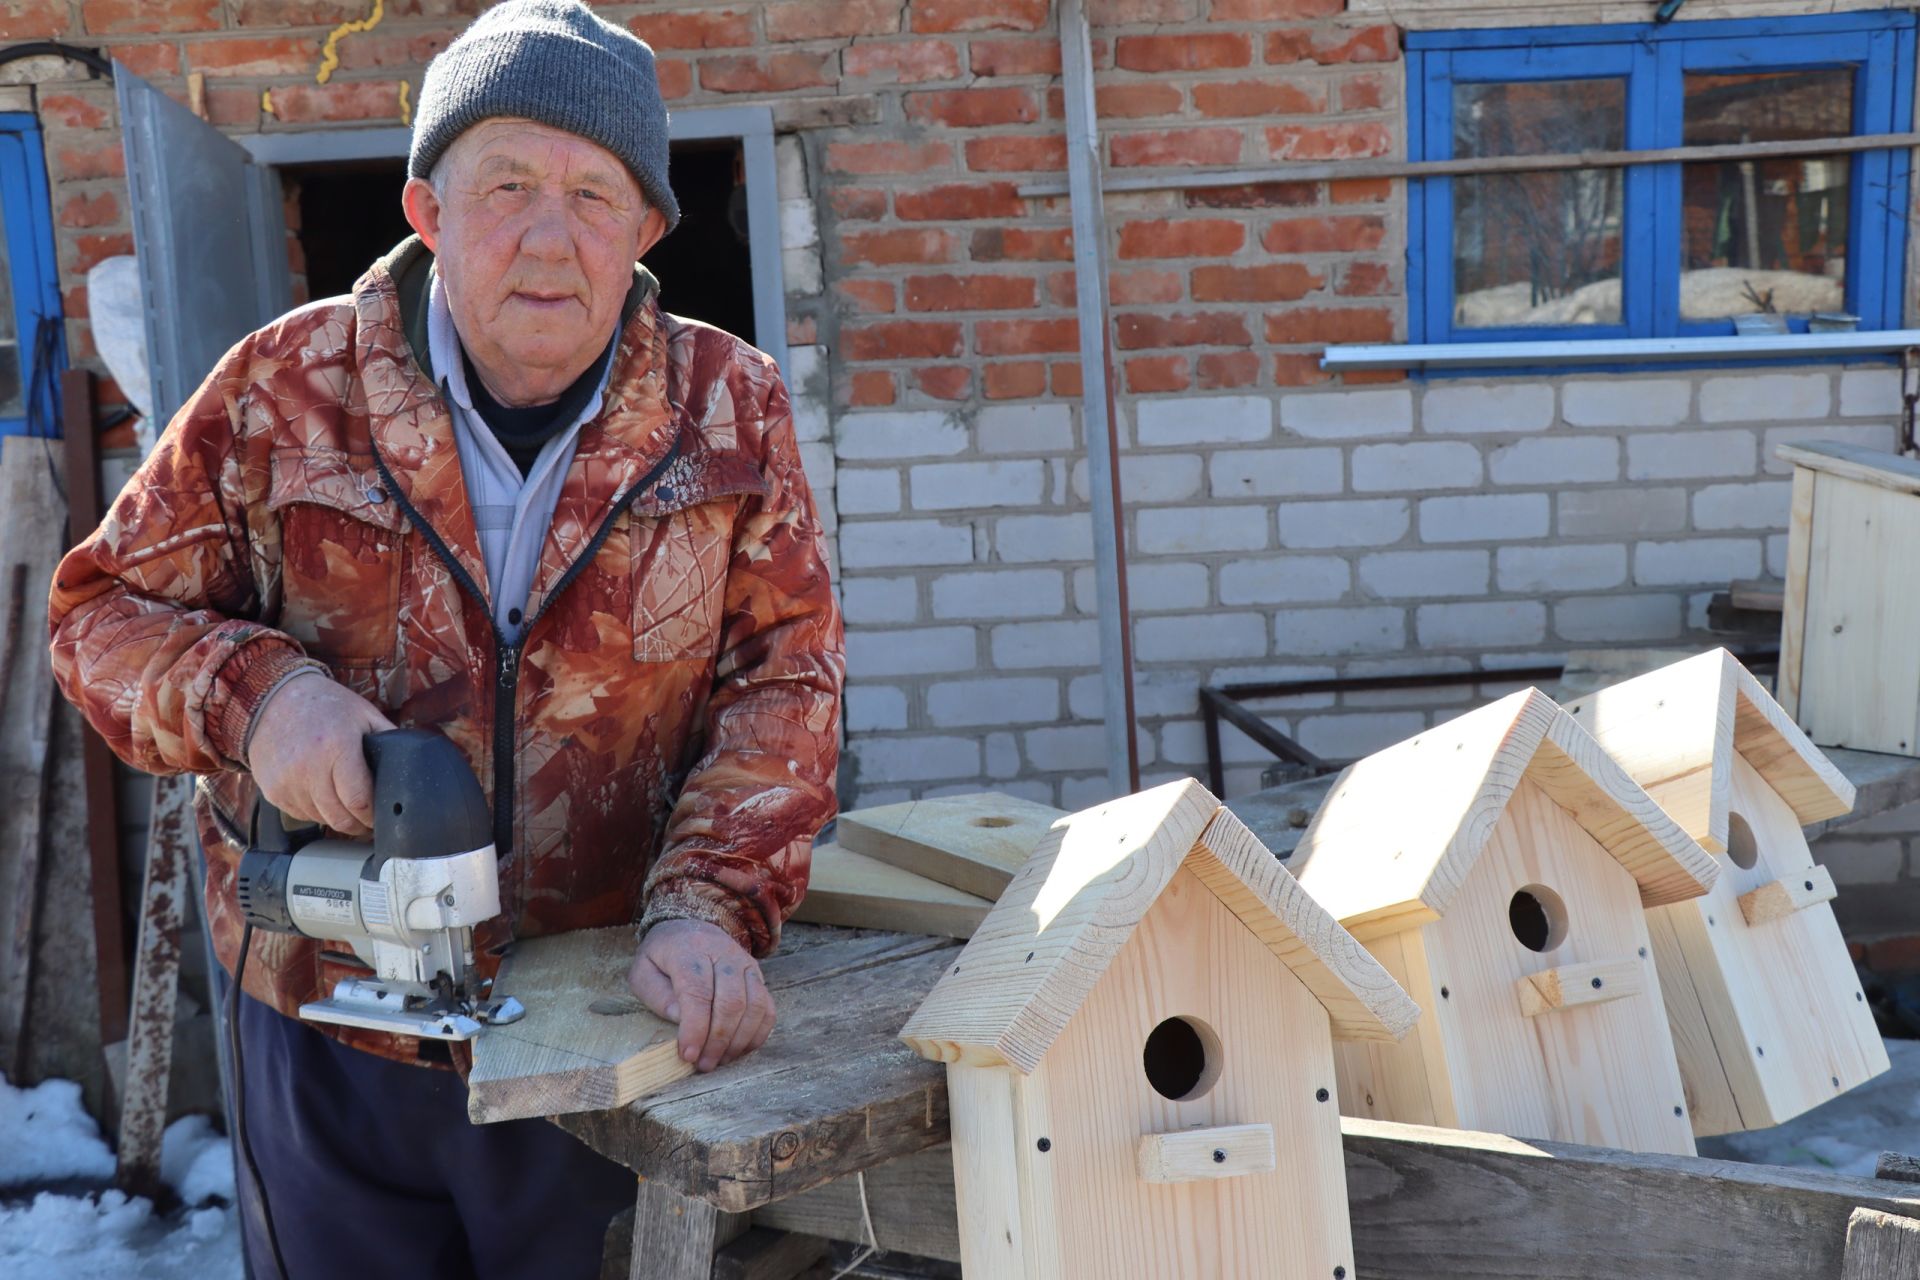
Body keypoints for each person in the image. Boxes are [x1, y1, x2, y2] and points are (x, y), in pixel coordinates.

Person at [46, 2, 843, 1276]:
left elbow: (782, 683)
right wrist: (259, 698)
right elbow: (98, 618)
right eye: (507, 182)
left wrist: (708, 907)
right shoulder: (280, 388)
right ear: (424, 210)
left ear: (644, 231)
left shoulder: (727, 408)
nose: (548, 235)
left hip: (600, 1020)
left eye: (594, 195)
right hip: (326, 1020)